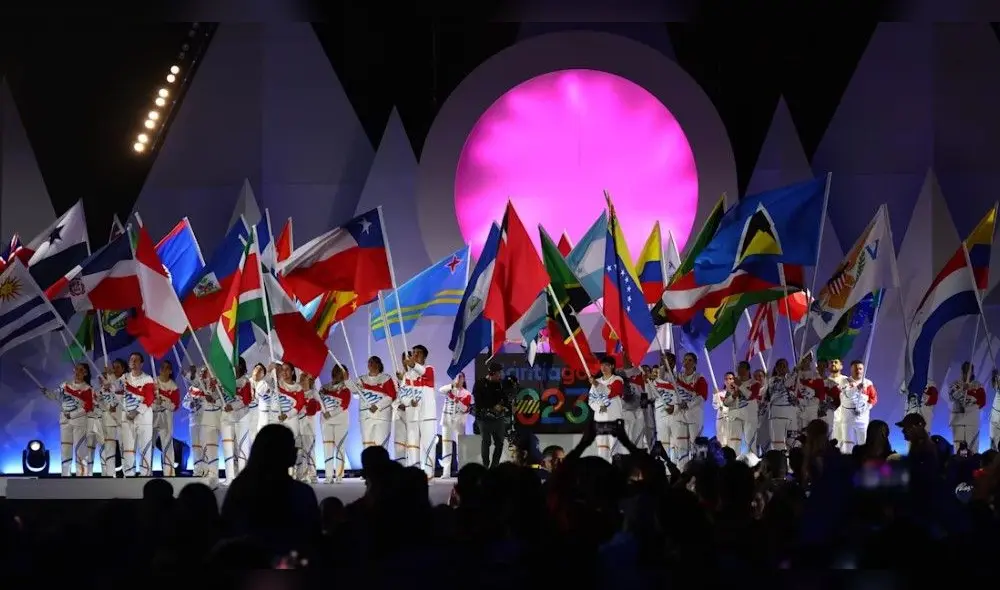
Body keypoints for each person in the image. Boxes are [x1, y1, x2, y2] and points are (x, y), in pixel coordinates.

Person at [220, 424, 322, 560]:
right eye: (291, 446)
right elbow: (313, 543)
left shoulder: (239, 488)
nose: (296, 451)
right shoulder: (302, 493)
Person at [40, 362, 94, 477]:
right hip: (65, 421)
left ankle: (83, 477)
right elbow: (54, 396)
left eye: (81, 370)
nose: (77, 372)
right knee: (65, 449)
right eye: (76, 369)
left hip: (79, 422)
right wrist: (47, 393)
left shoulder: (87, 388)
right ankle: (65, 476)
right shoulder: (65, 385)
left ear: (85, 373)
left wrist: (73, 414)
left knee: (80, 450)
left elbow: (88, 407)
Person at [399, 345, 438, 478]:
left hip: (427, 415)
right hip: (412, 415)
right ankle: (413, 474)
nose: (415, 355)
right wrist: (409, 402)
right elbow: (402, 394)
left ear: (424, 356)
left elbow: (424, 373)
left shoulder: (429, 369)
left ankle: (428, 475)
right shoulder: (407, 376)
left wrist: (413, 364)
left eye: (418, 353)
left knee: (428, 445)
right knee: (412, 446)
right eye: (413, 353)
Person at [471, 361, 512, 469]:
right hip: (483, 418)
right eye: (498, 373)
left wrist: (504, 406)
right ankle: (485, 465)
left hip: (498, 418)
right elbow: (478, 402)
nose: (500, 376)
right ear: (492, 373)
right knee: (486, 441)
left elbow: (505, 399)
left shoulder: (500, 384)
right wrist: (492, 407)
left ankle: (494, 466)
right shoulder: (479, 383)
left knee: (500, 443)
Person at [121, 352, 156, 477]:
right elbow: (115, 388)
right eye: (131, 359)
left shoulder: (148, 378)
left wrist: (136, 411)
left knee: (144, 448)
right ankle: (128, 474)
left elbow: (149, 398)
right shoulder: (124, 377)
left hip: (143, 417)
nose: (133, 362)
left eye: (136, 360)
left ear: (141, 363)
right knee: (128, 449)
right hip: (127, 418)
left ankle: (145, 475)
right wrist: (108, 381)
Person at [318, 365, 353, 483]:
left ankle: (339, 475)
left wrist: (331, 414)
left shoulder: (345, 389)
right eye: (335, 371)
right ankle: (328, 475)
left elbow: (344, 405)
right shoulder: (324, 388)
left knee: (340, 448)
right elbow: (319, 403)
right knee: (327, 448)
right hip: (326, 422)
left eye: (339, 372)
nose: (336, 373)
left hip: (340, 421)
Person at [272, 362, 307, 476]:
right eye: (282, 369)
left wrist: (287, 415)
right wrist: (270, 370)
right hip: (279, 422)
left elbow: (300, 404)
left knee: (292, 448)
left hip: (291, 421)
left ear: (292, 372)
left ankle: (294, 474)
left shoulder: (298, 387)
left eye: (287, 369)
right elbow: (265, 384)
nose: (284, 372)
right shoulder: (276, 384)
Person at [673, 352, 708, 465]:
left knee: (695, 443)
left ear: (695, 363)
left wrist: (687, 405)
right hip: (680, 415)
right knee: (681, 444)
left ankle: (698, 470)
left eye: (690, 360)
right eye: (685, 360)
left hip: (694, 415)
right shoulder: (677, 377)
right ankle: (682, 470)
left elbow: (701, 397)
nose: (687, 362)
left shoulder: (699, 378)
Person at [221, 358, 253, 480]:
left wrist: (233, 406)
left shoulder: (245, 381)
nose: (234, 367)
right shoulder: (224, 381)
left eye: (236, 365)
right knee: (228, 448)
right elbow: (218, 397)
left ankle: (243, 478)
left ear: (241, 366)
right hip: (226, 418)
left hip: (242, 417)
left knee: (242, 447)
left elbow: (247, 399)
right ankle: (229, 477)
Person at [356, 355, 397, 451]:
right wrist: (346, 380)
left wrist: (377, 406)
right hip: (366, 417)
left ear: (378, 365)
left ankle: (381, 466)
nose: (370, 364)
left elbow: (392, 395)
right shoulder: (361, 379)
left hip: (382, 417)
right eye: (369, 362)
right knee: (367, 448)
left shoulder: (386, 378)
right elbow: (354, 392)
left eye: (373, 362)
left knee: (381, 447)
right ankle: (369, 466)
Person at [588, 356, 624, 461]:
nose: (603, 367)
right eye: (602, 365)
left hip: (614, 419)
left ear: (612, 366)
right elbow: (591, 400)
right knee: (602, 449)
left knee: (615, 449)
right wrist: (599, 408)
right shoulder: (597, 381)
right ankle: (603, 473)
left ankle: (616, 474)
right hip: (600, 419)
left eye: (606, 365)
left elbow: (610, 393)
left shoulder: (617, 380)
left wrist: (596, 384)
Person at [94, 358, 125, 477]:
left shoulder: (125, 381)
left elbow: (119, 389)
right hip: (109, 420)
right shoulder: (106, 386)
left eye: (118, 367)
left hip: (123, 419)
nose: (114, 369)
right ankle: (109, 475)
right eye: (114, 367)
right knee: (109, 449)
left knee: (124, 448)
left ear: (123, 369)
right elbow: (99, 399)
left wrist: (110, 377)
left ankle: (127, 475)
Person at [838, 360, 877, 454]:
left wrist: (863, 409)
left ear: (863, 370)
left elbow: (873, 398)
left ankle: (863, 462)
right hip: (847, 417)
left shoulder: (868, 383)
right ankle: (848, 462)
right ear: (851, 370)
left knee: (863, 443)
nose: (858, 371)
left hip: (862, 418)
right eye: (855, 369)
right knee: (848, 443)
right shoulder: (844, 381)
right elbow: (847, 395)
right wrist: (857, 388)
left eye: (860, 369)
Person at [725, 361, 763, 454]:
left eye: (742, 368)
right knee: (734, 442)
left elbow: (751, 396)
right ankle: (734, 463)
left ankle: (752, 465)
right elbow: (726, 402)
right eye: (738, 368)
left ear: (748, 370)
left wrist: (740, 385)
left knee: (750, 442)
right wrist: (733, 396)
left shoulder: (754, 383)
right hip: (735, 416)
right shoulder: (732, 384)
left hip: (749, 417)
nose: (740, 370)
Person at [438, 372, 472, 478]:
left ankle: (461, 470)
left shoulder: (467, 393)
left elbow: (465, 408)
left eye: (460, 377)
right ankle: (446, 472)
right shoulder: (449, 389)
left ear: (464, 379)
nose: (458, 379)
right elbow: (440, 390)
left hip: (458, 422)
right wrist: (452, 386)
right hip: (447, 420)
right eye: (456, 377)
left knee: (460, 445)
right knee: (446, 445)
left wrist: (456, 399)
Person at [949, 361, 986, 450]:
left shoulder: (978, 386)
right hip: (958, 422)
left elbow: (982, 402)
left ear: (972, 372)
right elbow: (952, 396)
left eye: (969, 371)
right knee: (959, 450)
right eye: (965, 372)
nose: (967, 374)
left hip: (972, 422)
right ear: (962, 372)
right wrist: (962, 389)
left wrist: (971, 403)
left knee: (972, 449)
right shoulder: (956, 384)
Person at [152, 360, 180, 476]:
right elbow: (146, 400)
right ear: (159, 370)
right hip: (152, 417)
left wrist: (162, 402)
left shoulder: (173, 386)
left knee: (167, 444)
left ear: (170, 371)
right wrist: (155, 403)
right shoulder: (153, 382)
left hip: (166, 417)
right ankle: (146, 471)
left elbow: (174, 406)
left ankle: (169, 474)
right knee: (149, 444)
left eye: (167, 368)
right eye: (162, 367)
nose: (164, 370)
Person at [765, 358, 798, 453]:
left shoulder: (795, 380)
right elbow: (786, 384)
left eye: (785, 366)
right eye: (780, 366)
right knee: (778, 444)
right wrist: (795, 372)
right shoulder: (772, 380)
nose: (783, 368)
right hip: (777, 416)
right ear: (776, 368)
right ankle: (778, 465)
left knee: (792, 443)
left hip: (791, 416)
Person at [197, 367, 224, 479]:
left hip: (220, 417)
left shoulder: (219, 383)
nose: (204, 373)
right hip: (207, 418)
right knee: (207, 447)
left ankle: (215, 475)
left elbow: (223, 397)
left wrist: (214, 398)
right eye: (204, 371)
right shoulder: (200, 384)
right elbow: (192, 381)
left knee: (216, 447)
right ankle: (209, 473)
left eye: (207, 371)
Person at [180, 366, 205, 475]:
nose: (202, 375)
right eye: (202, 373)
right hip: (194, 421)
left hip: (205, 421)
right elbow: (184, 402)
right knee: (196, 446)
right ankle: (197, 470)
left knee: (206, 446)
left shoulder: (208, 389)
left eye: (205, 373)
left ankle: (207, 469)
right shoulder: (192, 390)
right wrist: (190, 404)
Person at [650, 356, 676, 459]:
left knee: (675, 441)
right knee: (663, 441)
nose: (666, 362)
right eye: (664, 360)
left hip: (675, 412)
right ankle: (665, 469)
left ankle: (676, 467)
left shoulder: (677, 377)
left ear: (674, 363)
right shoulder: (657, 377)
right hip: (661, 411)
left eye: (669, 360)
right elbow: (652, 394)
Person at [621, 360, 648, 448]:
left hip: (638, 412)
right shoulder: (617, 373)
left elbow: (645, 392)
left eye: (627, 353)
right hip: (623, 412)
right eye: (624, 352)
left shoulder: (641, 372)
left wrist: (644, 411)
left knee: (638, 443)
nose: (625, 355)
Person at [300, 374, 321, 483]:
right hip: (299, 425)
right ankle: (302, 475)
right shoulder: (298, 392)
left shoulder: (313, 393)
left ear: (310, 381)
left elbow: (320, 406)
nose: (303, 381)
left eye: (305, 380)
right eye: (301, 379)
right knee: (300, 451)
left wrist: (311, 405)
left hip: (310, 426)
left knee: (310, 451)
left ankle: (312, 474)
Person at [250, 363, 274, 433]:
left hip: (261, 417)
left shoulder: (264, 384)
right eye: (256, 368)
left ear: (263, 374)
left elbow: (257, 397)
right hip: (248, 417)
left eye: (260, 370)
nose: (257, 371)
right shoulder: (246, 382)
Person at [714, 372, 735, 447]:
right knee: (722, 443)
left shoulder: (736, 393)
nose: (728, 381)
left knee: (732, 442)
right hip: (721, 420)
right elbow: (715, 406)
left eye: (730, 379)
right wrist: (715, 396)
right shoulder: (720, 393)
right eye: (726, 379)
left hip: (732, 420)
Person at [992, 370, 1000, 451]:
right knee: (994, 442)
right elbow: (995, 386)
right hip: (996, 416)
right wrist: (994, 378)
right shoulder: (998, 379)